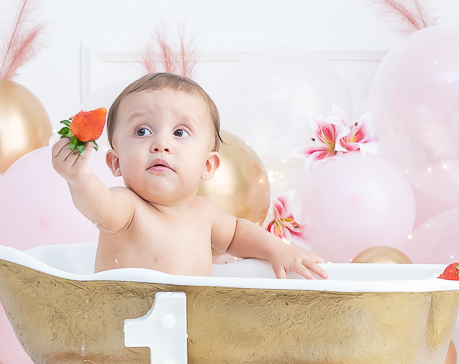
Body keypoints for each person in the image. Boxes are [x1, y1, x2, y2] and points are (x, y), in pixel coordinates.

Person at [52, 73, 328, 278]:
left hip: (187, 335)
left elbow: (238, 235)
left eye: (180, 132)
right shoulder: (127, 206)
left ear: (207, 166)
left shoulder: (205, 213)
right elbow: (100, 209)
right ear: (116, 163)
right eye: (142, 131)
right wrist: (80, 179)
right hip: (125, 335)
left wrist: (277, 250)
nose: (161, 143)